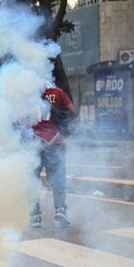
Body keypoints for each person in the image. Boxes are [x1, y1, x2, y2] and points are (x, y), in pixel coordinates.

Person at [29, 86, 76, 228]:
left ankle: (35, 216)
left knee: (32, 180)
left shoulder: (22, 92)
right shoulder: (56, 92)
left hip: (32, 142)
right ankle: (60, 210)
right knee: (58, 178)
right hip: (54, 140)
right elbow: (73, 111)